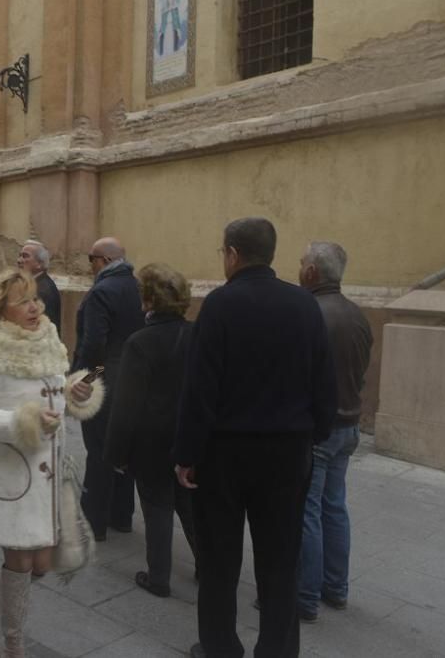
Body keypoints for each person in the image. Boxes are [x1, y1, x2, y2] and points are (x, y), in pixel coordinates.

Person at [174, 218, 337, 658]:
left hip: (225, 453)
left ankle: (221, 646)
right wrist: (316, 433)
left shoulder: (220, 306)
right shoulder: (304, 305)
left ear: (231, 254)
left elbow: (200, 389)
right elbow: (325, 378)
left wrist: (187, 454)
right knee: (280, 558)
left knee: (220, 559)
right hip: (288, 452)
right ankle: (278, 649)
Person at [0, 268, 103, 657]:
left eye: (35, 298)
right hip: (11, 476)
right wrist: (23, 421)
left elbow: (52, 399)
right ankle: (13, 643)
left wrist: (74, 392)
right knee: (22, 562)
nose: (34, 306)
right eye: (22, 300)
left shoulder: (48, 339)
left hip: (48, 476)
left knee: (41, 563)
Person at [105, 263, 197, 598]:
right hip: (188, 437)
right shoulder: (196, 333)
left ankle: (159, 576)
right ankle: (206, 565)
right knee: (189, 505)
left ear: (147, 300)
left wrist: (116, 453)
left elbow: (126, 405)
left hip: (152, 442)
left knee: (157, 507)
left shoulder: (140, 342)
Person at [297, 241, 373, 622]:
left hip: (319, 430)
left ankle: (305, 597)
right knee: (334, 506)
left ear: (311, 272)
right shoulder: (357, 314)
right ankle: (335, 588)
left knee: (307, 511)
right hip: (349, 425)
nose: (298, 268)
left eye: (301, 263)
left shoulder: (308, 313)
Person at [73, 237, 141, 541]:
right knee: (124, 450)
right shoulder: (139, 287)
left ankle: (93, 522)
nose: (90, 265)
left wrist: (86, 380)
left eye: (91, 259)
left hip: (104, 379)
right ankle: (121, 516)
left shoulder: (102, 291)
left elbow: (93, 345)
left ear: (104, 260)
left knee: (99, 451)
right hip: (133, 378)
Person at [17, 240, 61, 334]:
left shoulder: (43, 289)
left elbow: (41, 327)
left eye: (25, 256)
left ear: (39, 264)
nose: (19, 260)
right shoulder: (33, 284)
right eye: (20, 256)